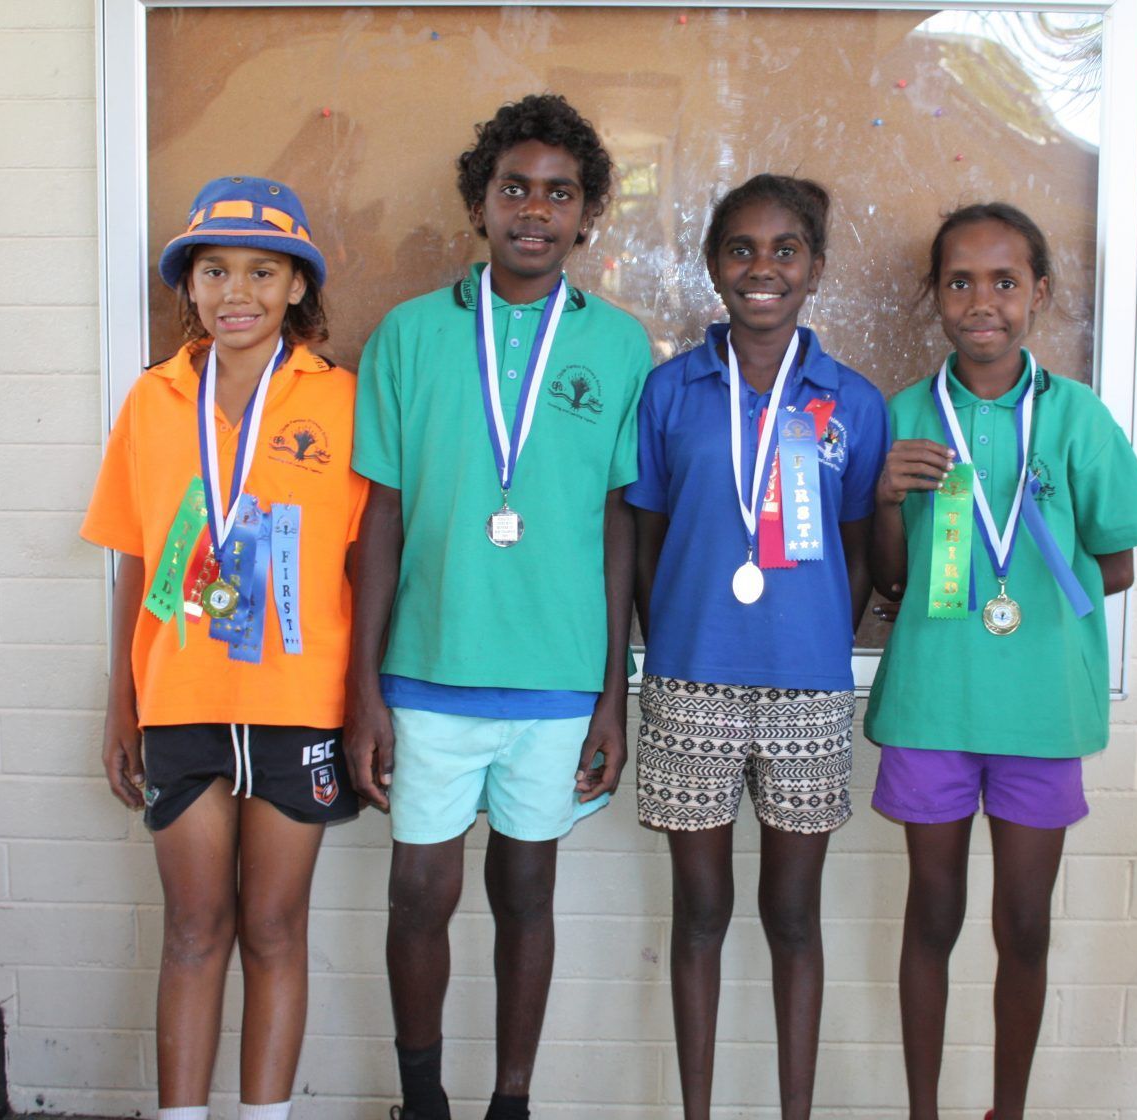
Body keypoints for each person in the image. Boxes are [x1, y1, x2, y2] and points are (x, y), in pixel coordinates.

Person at [345, 94, 651, 1120]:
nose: (535, 209)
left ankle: (511, 1102)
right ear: (479, 202)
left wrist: (615, 693)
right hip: (430, 668)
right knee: (420, 895)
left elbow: (619, 528)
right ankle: (422, 1097)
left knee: (528, 895)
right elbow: (379, 519)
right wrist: (364, 690)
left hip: (558, 680)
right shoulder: (408, 335)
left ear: (587, 214)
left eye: (559, 193)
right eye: (514, 187)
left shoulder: (617, 346)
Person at [864, 202, 1137, 1120]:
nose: (981, 300)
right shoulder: (905, 414)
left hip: (1042, 710)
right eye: (960, 280)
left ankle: (1008, 1109)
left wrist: (1026, 575)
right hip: (932, 707)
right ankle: (924, 1110)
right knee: (932, 914)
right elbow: (887, 583)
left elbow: (1114, 563)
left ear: (1039, 293)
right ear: (936, 298)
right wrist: (885, 500)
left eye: (1005, 281)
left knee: (1025, 926)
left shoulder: (1076, 418)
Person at [84, 175, 368, 1120]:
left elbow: (369, 566)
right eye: (213, 270)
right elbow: (135, 556)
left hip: (300, 705)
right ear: (190, 287)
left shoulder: (343, 401)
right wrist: (123, 700)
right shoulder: (156, 398)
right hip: (182, 702)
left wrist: (369, 702)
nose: (234, 290)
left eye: (261, 270)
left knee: (275, 929)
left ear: (297, 285)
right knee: (195, 928)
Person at [626, 173, 889, 1119]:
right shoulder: (670, 391)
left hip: (808, 688)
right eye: (741, 249)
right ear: (711, 266)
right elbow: (648, 541)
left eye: (785, 250)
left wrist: (811, 635)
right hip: (690, 681)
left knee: (793, 916)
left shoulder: (852, 401)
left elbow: (860, 553)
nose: (762, 268)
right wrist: (682, 639)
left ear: (814, 269)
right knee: (698, 913)